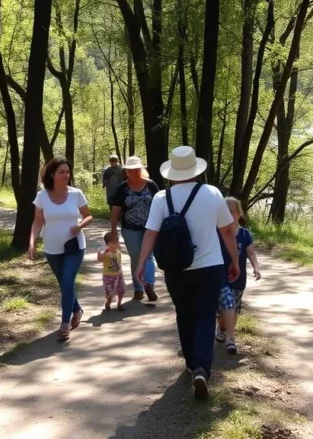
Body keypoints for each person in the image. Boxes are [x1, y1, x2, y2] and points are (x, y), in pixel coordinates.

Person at [135, 146, 240, 399]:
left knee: (184, 313)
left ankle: (192, 363)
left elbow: (151, 233)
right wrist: (235, 261)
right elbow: (227, 231)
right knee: (205, 315)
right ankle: (202, 369)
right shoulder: (212, 193)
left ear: (172, 172)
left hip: (176, 268)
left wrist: (141, 263)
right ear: (196, 170)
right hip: (210, 266)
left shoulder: (162, 197)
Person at [29, 157, 94, 341]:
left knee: (67, 281)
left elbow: (88, 216)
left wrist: (80, 226)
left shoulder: (76, 194)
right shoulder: (42, 196)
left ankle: (65, 323)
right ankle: (77, 309)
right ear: (52, 174)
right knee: (64, 284)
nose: (66, 175)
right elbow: (37, 222)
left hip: (75, 246)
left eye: (67, 171)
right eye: (61, 172)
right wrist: (32, 242)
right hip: (52, 248)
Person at [215, 197, 261, 355]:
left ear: (238, 213)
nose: (228, 214)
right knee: (228, 303)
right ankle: (230, 339)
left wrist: (256, 267)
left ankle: (222, 328)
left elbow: (251, 253)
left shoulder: (245, 234)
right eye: (224, 211)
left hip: (239, 279)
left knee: (232, 310)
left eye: (231, 211)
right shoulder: (217, 232)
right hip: (221, 277)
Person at [109, 156, 159, 301]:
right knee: (136, 257)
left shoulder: (151, 185)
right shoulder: (122, 188)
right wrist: (113, 230)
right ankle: (138, 288)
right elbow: (116, 210)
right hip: (130, 228)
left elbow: (160, 204)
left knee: (148, 255)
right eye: (131, 171)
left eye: (137, 170)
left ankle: (148, 284)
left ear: (141, 170)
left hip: (150, 227)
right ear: (127, 172)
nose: (134, 173)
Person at [98, 231, 126, 311]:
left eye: (116, 242)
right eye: (113, 242)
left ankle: (119, 303)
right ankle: (108, 301)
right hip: (108, 275)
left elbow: (120, 247)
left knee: (122, 289)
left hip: (119, 275)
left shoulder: (118, 252)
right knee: (109, 292)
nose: (115, 244)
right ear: (107, 243)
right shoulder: (106, 253)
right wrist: (101, 251)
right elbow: (99, 259)